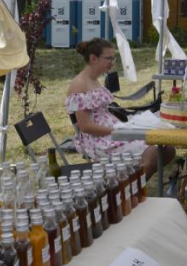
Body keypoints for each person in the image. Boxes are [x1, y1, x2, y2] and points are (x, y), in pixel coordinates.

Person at [65, 38, 175, 177]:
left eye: (113, 58)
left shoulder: (93, 80)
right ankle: (129, 188)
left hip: (114, 132)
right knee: (154, 151)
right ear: (94, 58)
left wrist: (127, 128)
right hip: (100, 140)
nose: (112, 62)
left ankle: (133, 184)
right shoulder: (79, 84)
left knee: (168, 149)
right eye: (108, 58)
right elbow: (85, 126)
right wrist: (119, 131)